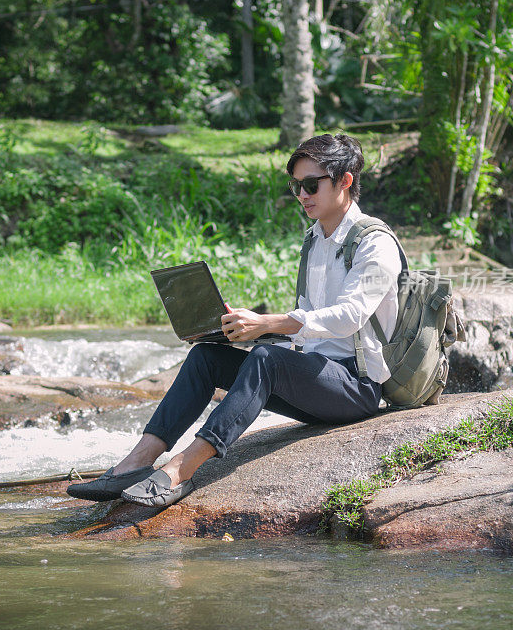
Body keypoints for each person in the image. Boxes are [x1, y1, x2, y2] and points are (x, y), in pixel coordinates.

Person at [67, 133, 402, 508]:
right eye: (296, 186)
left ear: (345, 181)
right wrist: (234, 325)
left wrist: (267, 323)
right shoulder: (315, 240)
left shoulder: (375, 243)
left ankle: (180, 471)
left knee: (266, 358)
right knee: (206, 358)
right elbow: (308, 323)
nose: (303, 195)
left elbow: (349, 317)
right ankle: (136, 462)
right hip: (315, 377)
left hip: (356, 387)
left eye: (312, 185)